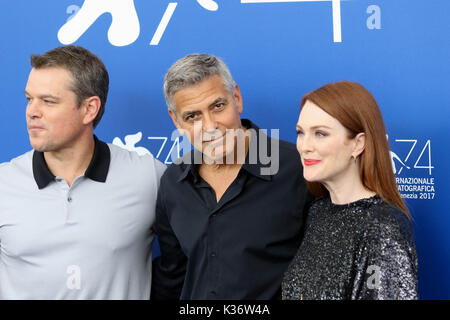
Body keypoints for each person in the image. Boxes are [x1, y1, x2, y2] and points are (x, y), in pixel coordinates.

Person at [0, 45, 166, 299]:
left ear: (89, 109)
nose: (32, 111)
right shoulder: (4, 183)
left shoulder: (148, 177)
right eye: (29, 98)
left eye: (48, 101)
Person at [151, 54, 312, 299]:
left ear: (236, 98)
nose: (210, 126)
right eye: (192, 116)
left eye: (218, 106)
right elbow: (173, 278)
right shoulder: (173, 182)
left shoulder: (297, 169)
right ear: (176, 121)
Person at [282, 81, 418, 300]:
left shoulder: (382, 227)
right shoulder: (318, 212)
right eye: (300, 132)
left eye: (320, 134)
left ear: (358, 144)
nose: (304, 145)